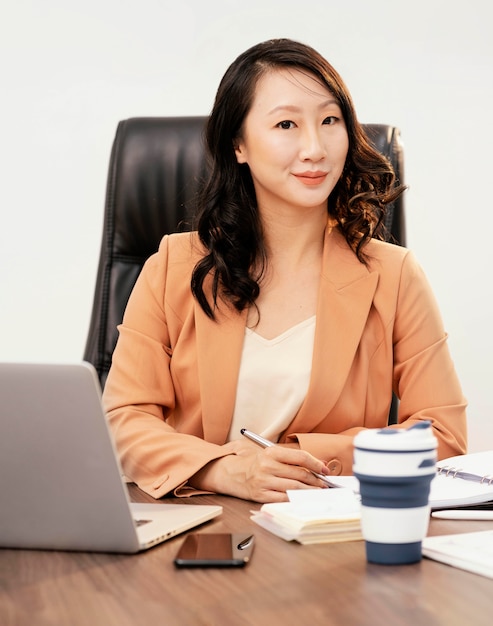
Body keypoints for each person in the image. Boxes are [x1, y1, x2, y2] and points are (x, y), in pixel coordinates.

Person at [103, 38, 467, 504]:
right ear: (238, 144)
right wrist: (225, 470)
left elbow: (443, 436)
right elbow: (122, 419)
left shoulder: (393, 276)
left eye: (330, 120)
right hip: (199, 527)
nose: (314, 148)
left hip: (331, 531)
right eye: (286, 124)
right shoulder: (172, 267)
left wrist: (305, 460)